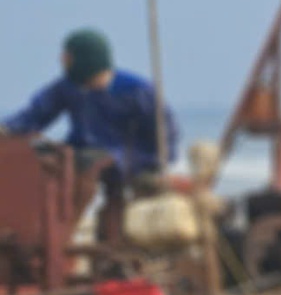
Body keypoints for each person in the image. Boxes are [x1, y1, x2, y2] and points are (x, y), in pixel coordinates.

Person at [3, 29, 178, 242]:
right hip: (81, 150)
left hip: (129, 156)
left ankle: (63, 234)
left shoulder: (135, 90)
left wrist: (156, 164)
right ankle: (34, 226)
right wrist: (8, 130)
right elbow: (35, 115)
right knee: (40, 158)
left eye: (67, 57)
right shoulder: (68, 87)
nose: (62, 61)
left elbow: (164, 133)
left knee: (88, 166)